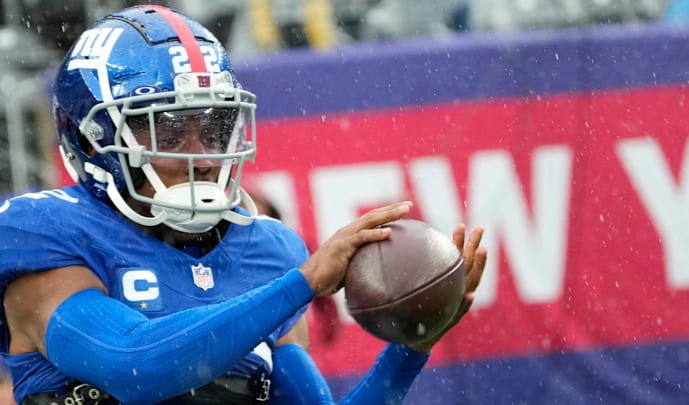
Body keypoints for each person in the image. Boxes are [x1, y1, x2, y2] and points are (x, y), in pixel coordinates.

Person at [0, 4, 487, 405]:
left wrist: (410, 350)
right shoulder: (45, 231)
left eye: (212, 129)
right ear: (92, 140)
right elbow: (133, 365)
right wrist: (302, 283)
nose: (202, 155)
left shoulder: (266, 251)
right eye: (168, 130)